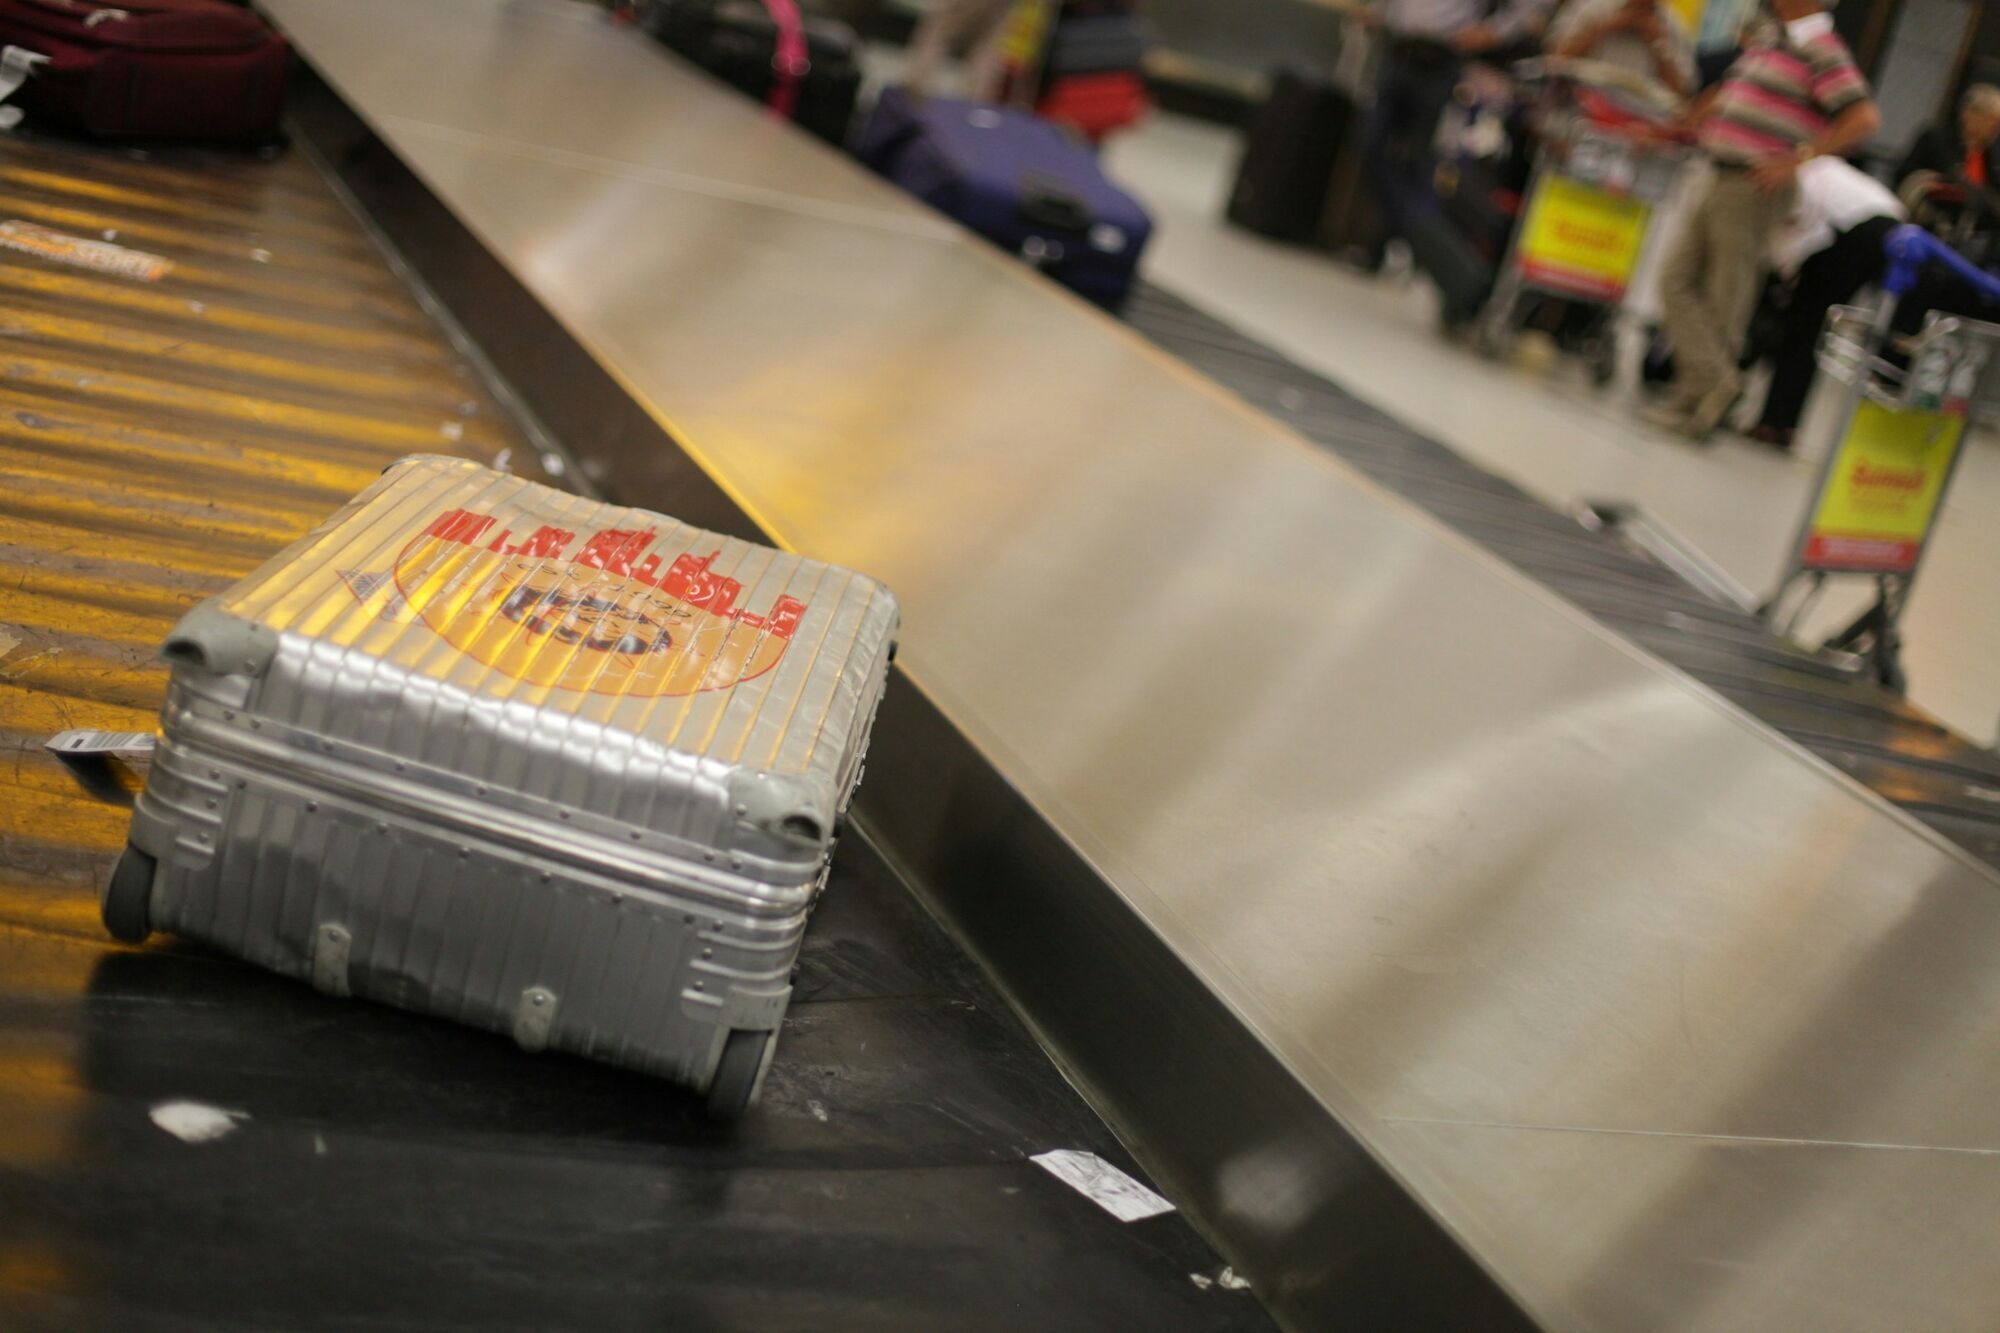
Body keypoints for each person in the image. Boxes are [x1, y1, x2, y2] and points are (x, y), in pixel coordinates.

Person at [1643, 0, 1880, 441]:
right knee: (1675, 279)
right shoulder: (1772, 38)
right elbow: (1730, 96)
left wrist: (1798, 159)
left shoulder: (1819, 46)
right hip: (1719, 171)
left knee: (1725, 294)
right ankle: (1710, 383)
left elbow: (1862, 117)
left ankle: (1703, 399)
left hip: (1752, 184)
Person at [1359, 0, 1555, 330]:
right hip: (1398, 47)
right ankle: (1429, 247)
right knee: (1370, 148)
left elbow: (1533, 7)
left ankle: (1447, 263)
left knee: (1422, 166)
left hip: (1442, 59)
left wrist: (1494, 32)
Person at [1744, 156, 1905, 449]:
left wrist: (1784, 270)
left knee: (1803, 327)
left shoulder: (1800, 177)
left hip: (1854, 232)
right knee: (1815, 330)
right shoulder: (1823, 166)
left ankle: (1774, 423)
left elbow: (1803, 231)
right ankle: (1784, 424)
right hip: (1892, 233)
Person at [1547, 0, 1694, 101]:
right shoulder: (1591, 5)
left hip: (1636, 127)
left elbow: (1681, 97)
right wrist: (1606, 26)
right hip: (1579, 106)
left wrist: (1658, 44)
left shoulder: (1673, 26)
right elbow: (1555, 60)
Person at [1897, 84, 2000, 200]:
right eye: (1992, 122)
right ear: (1970, 115)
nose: (1995, 130)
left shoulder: (1988, 156)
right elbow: (1905, 174)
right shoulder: (1936, 140)